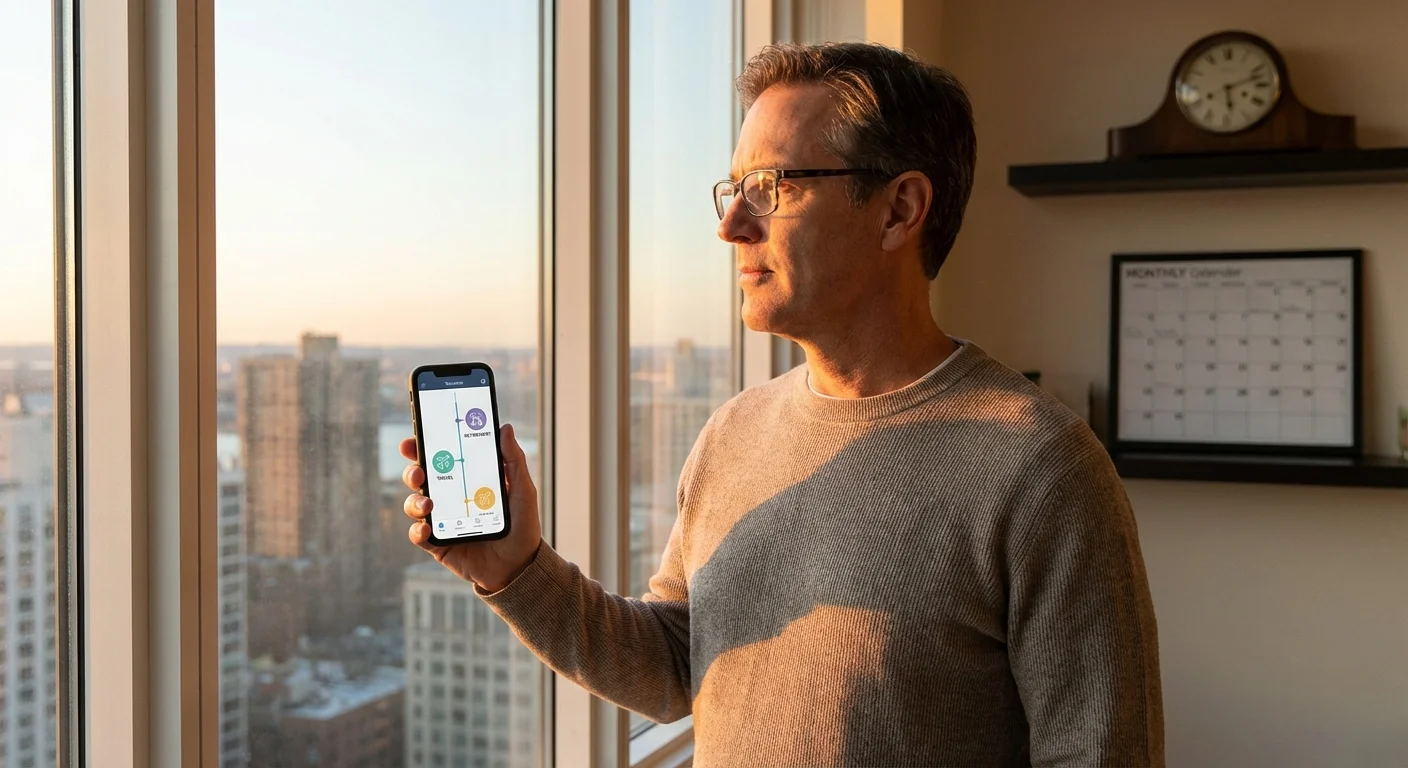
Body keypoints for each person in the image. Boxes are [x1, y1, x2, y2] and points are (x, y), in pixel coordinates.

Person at [402, 41, 1164, 767]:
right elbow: (675, 667)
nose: (731, 225)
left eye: (771, 187)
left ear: (899, 209)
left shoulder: (1040, 467)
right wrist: (518, 568)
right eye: (732, 190)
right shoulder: (734, 431)